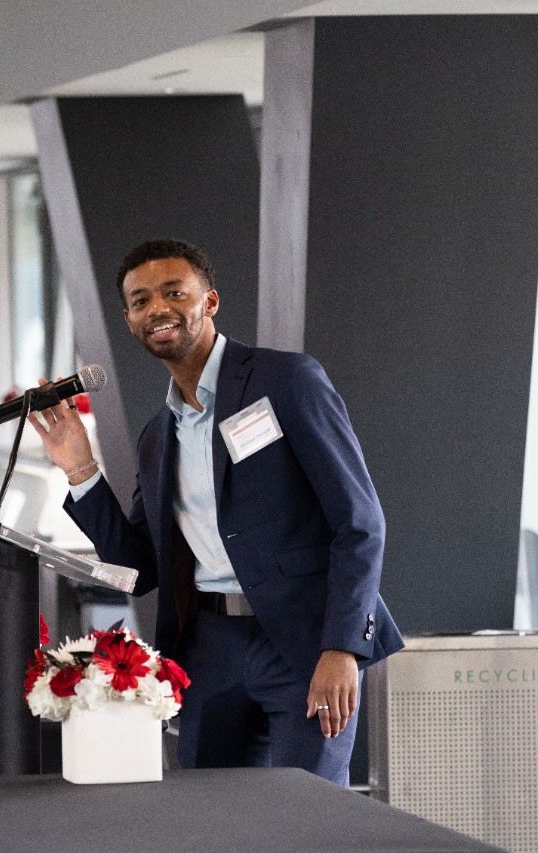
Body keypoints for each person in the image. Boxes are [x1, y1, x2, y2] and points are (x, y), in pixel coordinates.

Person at [28, 238, 403, 786]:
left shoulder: (285, 380)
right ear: (130, 321)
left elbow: (360, 523)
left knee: (311, 820)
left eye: (173, 292)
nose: (157, 307)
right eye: (139, 300)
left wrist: (342, 646)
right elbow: (138, 569)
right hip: (208, 650)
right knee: (210, 821)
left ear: (210, 302)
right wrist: (80, 467)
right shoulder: (159, 436)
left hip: (303, 642)